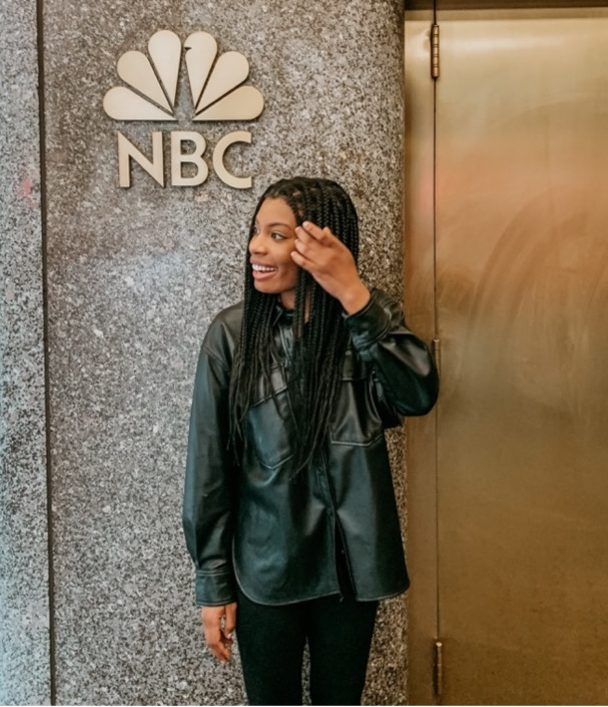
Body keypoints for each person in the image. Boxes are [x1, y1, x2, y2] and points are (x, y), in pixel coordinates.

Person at [182, 177, 439, 705]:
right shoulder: (232, 336)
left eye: (276, 235)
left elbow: (416, 394)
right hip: (265, 569)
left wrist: (353, 291)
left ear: (320, 247)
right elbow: (209, 467)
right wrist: (213, 582)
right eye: (257, 232)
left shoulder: (364, 325)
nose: (256, 246)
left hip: (350, 569)